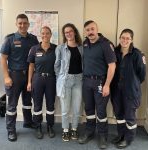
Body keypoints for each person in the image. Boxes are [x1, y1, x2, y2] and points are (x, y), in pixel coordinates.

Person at [0, 14, 39, 142]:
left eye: (25, 23)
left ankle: (27, 122)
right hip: (14, 76)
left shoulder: (33, 39)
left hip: (29, 75)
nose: (22, 25)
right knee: (12, 105)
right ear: (16, 24)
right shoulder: (10, 39)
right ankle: (11, 130)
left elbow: (36, 57)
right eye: (20, 23)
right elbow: (3, 59)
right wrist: (6, 77)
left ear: (28, 24)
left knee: (28, 101)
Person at [78, 20, 116, 149]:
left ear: (97, 29)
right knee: (89, 109)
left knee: (100, 111)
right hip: (87, 82)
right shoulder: (85, 43)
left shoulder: (106, 44)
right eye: (87, 30)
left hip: (101, 82)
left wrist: (107, 85)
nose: (90, 32)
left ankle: (103, 135)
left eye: (92, 29)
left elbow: (112, 66)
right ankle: (89, 132)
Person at [111, 29, 146, 149]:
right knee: (119, 114)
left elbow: (141, 75)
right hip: (116, 90)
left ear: (131, 40)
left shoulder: (137, 54)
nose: (125, 40)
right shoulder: (114, 52)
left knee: (130, 116)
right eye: (123, 37)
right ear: (120, 38)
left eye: (128, 38)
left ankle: (128, 139)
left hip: (131, 92)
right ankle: (121, 135)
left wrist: (132, 83)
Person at [54, 23, 83, 142]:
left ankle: (74, 129)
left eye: (70, 31)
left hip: (79, 80)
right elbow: (57, 65)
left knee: (77, 108)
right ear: (64, 35)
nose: (69, 34)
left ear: (75, 32)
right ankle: (65, 130)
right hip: (65, 80)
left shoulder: (82, 47)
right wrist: (60, 79)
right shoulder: (60, 48)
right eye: (66, 32)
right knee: (65, 109)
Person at [27, 26, 56, 139]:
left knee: (50, 104)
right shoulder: (34, 49)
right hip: (37, 79)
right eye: (43, 33)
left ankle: (50, 126)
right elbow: (31, 66)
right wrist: (29, 82)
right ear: (40, 35)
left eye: (47, 33)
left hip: (51, 79)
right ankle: (38, 126)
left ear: (50, 34)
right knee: (37, 104)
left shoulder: (56, 48)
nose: (45, 35)